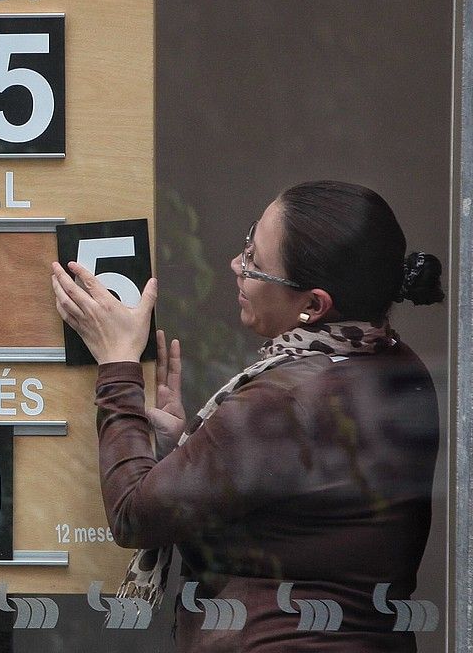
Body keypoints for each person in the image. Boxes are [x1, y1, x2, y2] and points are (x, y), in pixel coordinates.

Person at [51, 181, 443, 652]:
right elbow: (298, 518)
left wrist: (118, 365)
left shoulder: (287, 401)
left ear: (313, 305)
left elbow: (135, 516)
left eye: (256, 263)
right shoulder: (396, 364)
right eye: (247, 242)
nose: (236, 266)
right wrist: (194, 451)